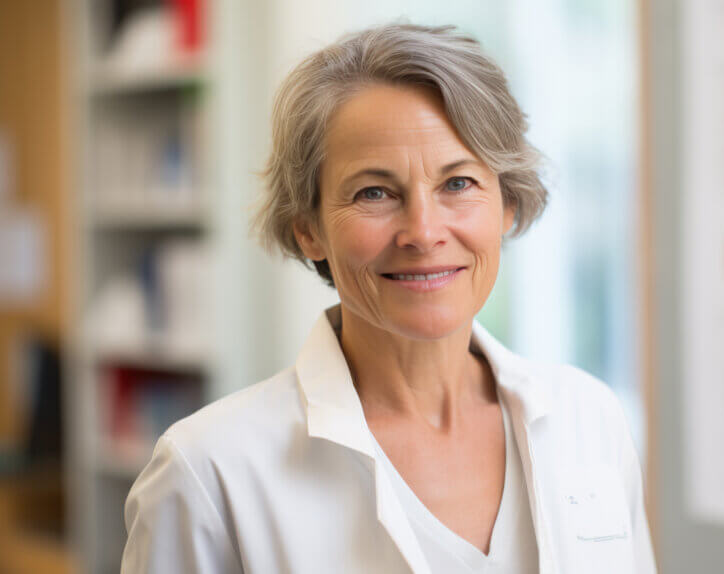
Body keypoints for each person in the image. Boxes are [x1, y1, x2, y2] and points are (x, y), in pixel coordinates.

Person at [121, 23, 656, 574]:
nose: (423, 232)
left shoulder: (589, 419)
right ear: (308, 228)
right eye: (374, 192)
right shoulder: (208, 473)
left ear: (508, 205)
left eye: (458, 183)